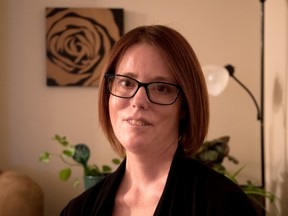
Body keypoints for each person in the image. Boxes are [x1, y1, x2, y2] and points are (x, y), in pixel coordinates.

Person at [60, 25, 257, 216]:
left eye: (161, 88)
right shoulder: (78, 209)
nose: (138, 101)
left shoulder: (224, 204)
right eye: (126, 83)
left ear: (185, 107)